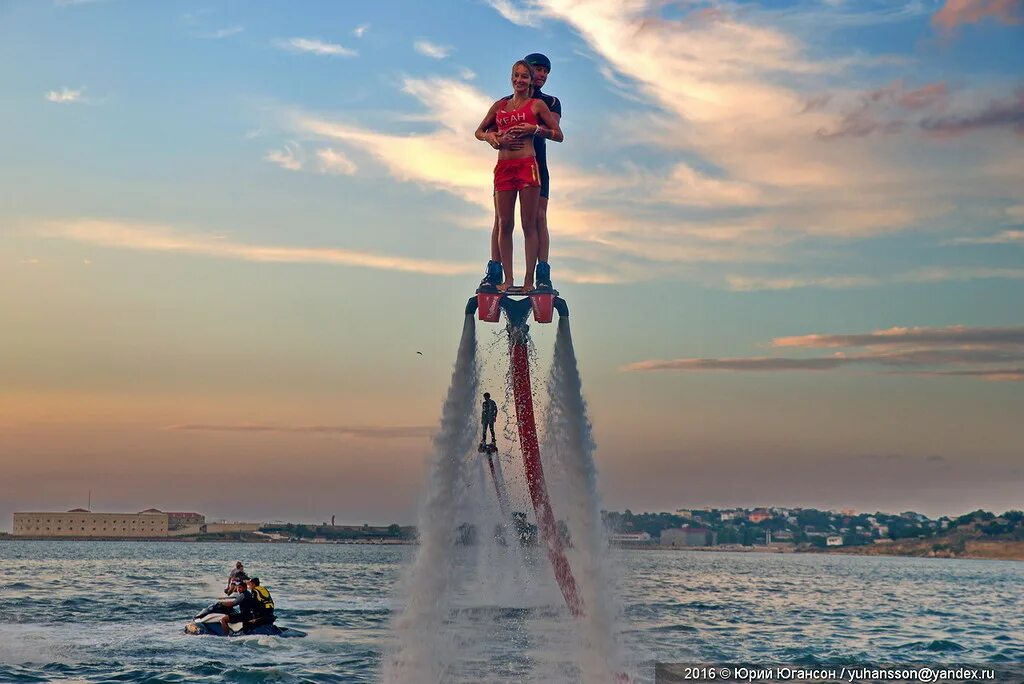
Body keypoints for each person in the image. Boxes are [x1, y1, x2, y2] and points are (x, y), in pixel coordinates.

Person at [475, 60, 563, 292]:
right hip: (504, 166)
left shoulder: (545, 103)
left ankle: (536, 277)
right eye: (518, 75)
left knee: (534, 220)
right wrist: (492, 138)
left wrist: (532, 129)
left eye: (528, 75)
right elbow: (481, 130)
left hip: (532, 164)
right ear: (512, 76)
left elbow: (556, 132)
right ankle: (499, 274)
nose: (522, 79)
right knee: (502, 221)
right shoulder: (501, 104)